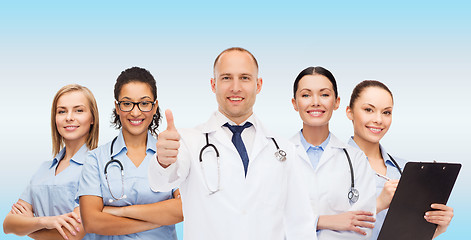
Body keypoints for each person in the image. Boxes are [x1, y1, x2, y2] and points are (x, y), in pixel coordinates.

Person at [148, 47, 316, 240]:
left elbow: (300, 222)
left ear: (258, 85)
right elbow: (160, 182)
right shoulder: (188, 141)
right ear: (213, 84)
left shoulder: (283, 149)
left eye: (244, 78)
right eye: (226, 78)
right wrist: (163, 161)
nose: (235, 87)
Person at [77, 67, 182, 240]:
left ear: (155, 106)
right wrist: (159, 219)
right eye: (127, 103)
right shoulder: (96, 159)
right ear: (117, 108)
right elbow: (92, 222)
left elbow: (185, 208)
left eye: (144, 103)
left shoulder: (171, 154)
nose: (135, 112)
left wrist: (121, 211)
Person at [346, 80, 454, 239]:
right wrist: (378, 204)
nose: (379, 120)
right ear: (349, 112)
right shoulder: (330, 164)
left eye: (386, 112)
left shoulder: (406, 170)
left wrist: (435, 228)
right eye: (369, 110)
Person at [289, 66, 377, 239]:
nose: (315, 102)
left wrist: (301, 226)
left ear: (336, 102)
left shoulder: (356, 160)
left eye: (324, 94)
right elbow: (268, 223)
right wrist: (324, 221)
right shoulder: (277, 157)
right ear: (295, 103)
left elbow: (363, 228)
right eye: (306, 95)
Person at [3, 84, 99, 240]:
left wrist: (28, 227)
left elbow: (73, 233)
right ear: (55, 119)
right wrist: (45, 221)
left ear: (92, 118)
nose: (69, 117)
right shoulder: (43, 169)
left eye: (78, 110)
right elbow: (8, 224)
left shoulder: (97, 167)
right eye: (62, 111)